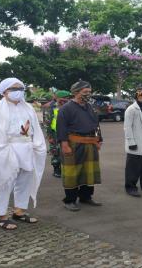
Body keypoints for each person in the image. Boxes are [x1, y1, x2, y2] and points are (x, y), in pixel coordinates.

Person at [0, 78, 47, 230]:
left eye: (20, 88)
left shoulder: (29, 108)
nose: (17, 91)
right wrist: (1, 151)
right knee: (5, 182)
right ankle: (1, 215)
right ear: (4, 91)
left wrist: (38, 146)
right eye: (13, 89)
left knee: (25, 180)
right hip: (6, 149)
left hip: (26, 147)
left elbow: (36, 129)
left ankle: (19, 211)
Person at [57, 80, 103, 211]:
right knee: (72, 172)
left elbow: (96, 124)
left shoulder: (90, 107)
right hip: (73, 143)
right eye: (85, 92)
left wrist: (99, 140)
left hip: (90, 143)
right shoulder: (66, 109)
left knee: (89, 171)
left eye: (89, 91)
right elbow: (62, 128)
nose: (88, 94)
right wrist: (64, 144)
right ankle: (70, 200)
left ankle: (86, 197)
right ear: (76, 93)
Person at [46, 90, 71, 178]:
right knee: (55, 152)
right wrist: (49, 136)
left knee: (68, 151)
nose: (66, 100)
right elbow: (47, 122)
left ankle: (68, 169)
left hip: (68, 133)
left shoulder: (70, 107)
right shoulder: (51, 108)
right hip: (54, 133)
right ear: (58, 98)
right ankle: (57, 170)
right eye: (64, 98)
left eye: (67, 98)